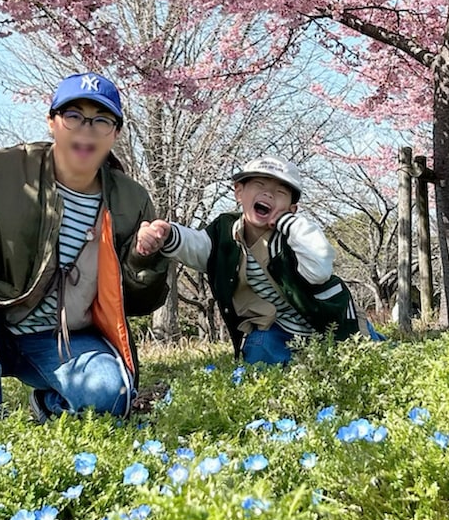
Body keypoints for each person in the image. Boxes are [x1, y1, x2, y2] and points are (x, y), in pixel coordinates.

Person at [0, 74, 169, 419]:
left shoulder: (131, 199)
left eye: (101, 120)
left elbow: (139, 302)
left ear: (116, 132)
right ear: (52, 123)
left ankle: (47, 405)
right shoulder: (4, 170)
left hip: (67, 341)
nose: (86, 129)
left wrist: (142, 259)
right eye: (73, 117)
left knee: (113, 397)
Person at [135, 155, 371, 366]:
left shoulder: (295, 238)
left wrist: (291, 224)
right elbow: (198, 246)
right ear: (239, 192)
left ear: (292, 207)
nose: (268, 194)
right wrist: (166, 234)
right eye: (259, 185)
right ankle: (298, 367)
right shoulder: (225, 232)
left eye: (280, 192)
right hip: (279, 328)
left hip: (327, 321)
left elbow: (319, 269)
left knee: (364, 354)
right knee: (259, 351)